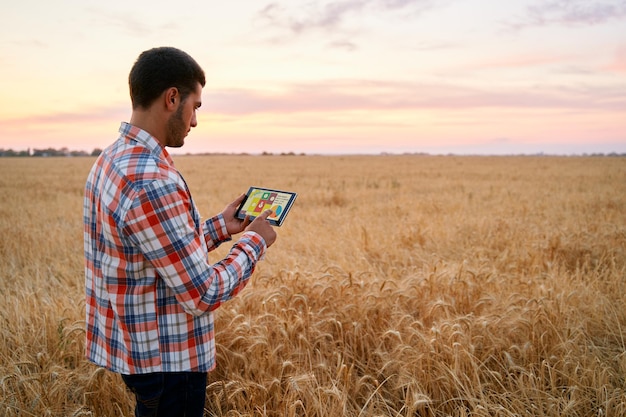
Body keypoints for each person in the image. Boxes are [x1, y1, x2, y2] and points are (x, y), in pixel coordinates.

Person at [83, 46, 277, 417]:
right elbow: (203, 292)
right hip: (169, 362)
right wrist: (255, 241)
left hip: (139, 353)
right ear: (172, 98)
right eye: (196, 106)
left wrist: (222, 227)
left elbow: (155, 254)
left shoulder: (114, 158)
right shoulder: (151, 180)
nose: (195, 121)